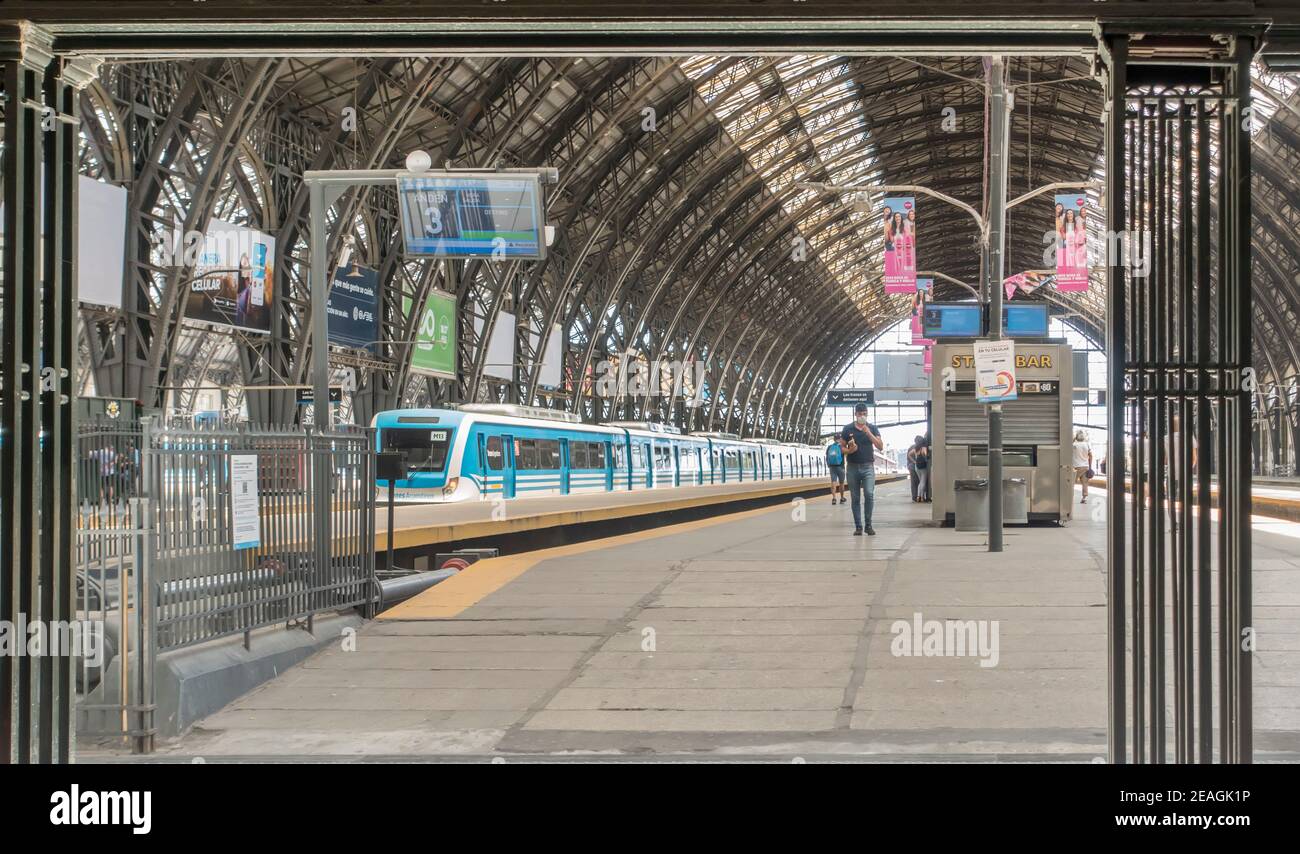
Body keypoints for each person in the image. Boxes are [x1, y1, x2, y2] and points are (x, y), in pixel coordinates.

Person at [840, 402, 884, 535]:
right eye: (860, 414)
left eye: (864, 414)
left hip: (868, 467)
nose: (862, 416)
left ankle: (868, 525)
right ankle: (858, 527)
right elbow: (841, 448)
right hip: (852, 468)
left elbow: (880, 446)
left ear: (867, 414)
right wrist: (849, 450)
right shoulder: (847, 429)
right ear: (855, 414)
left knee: (869, 494)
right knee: (855, 498)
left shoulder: (873, 428)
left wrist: (868, 433)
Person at [1072, 429, 1093, 504]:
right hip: (1085, 466)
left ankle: (1070, 497)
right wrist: (1090, 467)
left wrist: (1073, 438)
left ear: (1076, 436)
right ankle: (1084, 498)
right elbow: (1090, 456)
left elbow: (1067, 450)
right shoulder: (1087, 444)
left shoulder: (1074, 445)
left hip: (1076, 467)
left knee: (1071, 483)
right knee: (1085, 483)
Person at [826, 437, 846, 505]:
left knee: (833, 482)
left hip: (832, 467)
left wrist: (829, 465)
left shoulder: (829, 447)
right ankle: (842, 498)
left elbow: (827, 457)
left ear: (834, 439)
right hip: (841, 467)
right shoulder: (841, 447)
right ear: (840, 439)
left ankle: (834, 498)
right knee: (841, 483)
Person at [914, 436, 931, 503]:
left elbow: (911, 455)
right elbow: (925, 455)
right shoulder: (923, 447)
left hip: (917, 466)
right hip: (923, 467)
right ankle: (921, 497)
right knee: (923, 482)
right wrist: (927, 455)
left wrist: (914, 461)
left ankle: (918, 497)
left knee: (920, 482)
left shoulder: (916, 448)